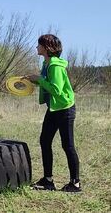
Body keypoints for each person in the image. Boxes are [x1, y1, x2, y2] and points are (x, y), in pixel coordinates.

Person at [24, 34, 81, 193]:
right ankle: (48, 180)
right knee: (44, 141)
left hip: (64, 109)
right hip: (53, 109)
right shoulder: (47, 64)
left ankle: (75, 184)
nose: (36, 47)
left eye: (39, 45)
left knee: (68, 146)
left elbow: (56, 89)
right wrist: (32, 79)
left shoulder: (55, 66)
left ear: (46, 48)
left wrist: (39, 80)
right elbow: (46, 82)